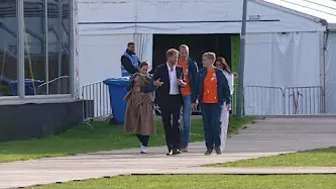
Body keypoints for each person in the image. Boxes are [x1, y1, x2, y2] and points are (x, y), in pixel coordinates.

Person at [194, 52, 231, 155]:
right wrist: (195, 100)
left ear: (211, 61)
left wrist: (228, 101)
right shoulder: (201, 73)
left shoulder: (218, 73)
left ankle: (217, 145)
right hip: (205, 102)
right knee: (207, 125)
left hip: (216, 102)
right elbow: (197, 87)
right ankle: (209, 146)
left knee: (215, 122)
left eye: (204, 60)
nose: (203, 62)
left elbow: (226, 87)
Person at [152, 48, 186, 156]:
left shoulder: (180, 69)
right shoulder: (160, 69)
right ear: (169, 57)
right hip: (165, 98)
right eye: (175, 57)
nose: (177, 59)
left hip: (176, 98)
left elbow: (184, 83)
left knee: (176, 122)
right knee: (166, 123)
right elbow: (152, 81)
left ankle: (177, 146)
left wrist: (182, 83)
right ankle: (170, 147)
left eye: (177, 57)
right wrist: (155, 83)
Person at [124, 62, 156, 154]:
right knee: (134, 123)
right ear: (140, 68)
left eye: (146, 70)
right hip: (134, 102)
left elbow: (152, 88)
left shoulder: (149, 78)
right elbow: (128, 87)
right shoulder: (134, 76)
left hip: (145, 103)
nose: (145, 71)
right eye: (143, 69)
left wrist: (141, 89)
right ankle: (142, 140)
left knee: (146, 124)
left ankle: (144, 145)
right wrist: (133, 82)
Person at [178, 44, 199, 152]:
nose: (184, 55)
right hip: (176, 94)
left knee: (186, 119)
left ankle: (184, 143)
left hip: (188, 93)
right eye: (182, 53)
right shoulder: (175, 63)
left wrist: (195, 99)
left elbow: (195, 82)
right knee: (176, 119)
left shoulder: (192, 64)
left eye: (186, 53)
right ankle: (178, 141)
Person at [214, 57, 234, 152]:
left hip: (224, 102)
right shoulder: (213, 75)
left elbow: (230, 90)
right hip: (215, 101)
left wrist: (228, 101)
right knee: (215, 124)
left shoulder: (228, 75)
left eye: (220, 65)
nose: (218, 67)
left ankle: (221, 145)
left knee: (223, 123)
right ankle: (215, 143)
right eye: (216, 65)